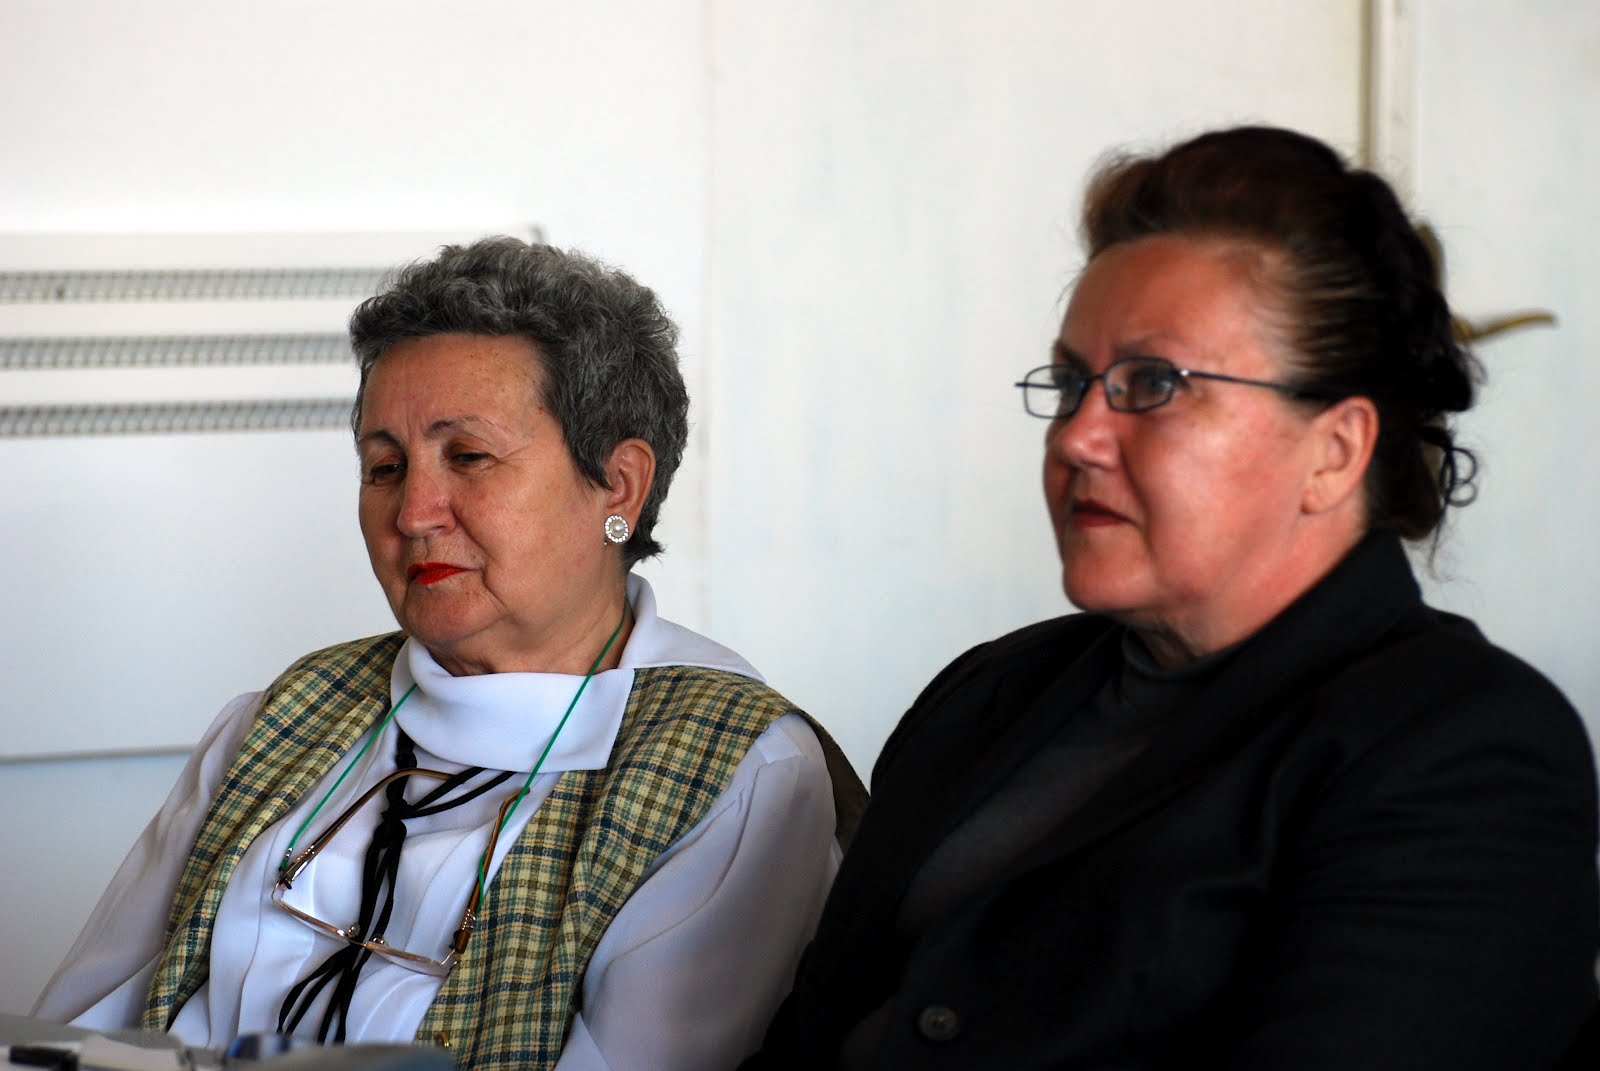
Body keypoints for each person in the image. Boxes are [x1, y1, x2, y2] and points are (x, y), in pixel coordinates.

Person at [743, 126, 1600, 1069]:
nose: (1076, 436)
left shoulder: (1464, 747)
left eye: (1153, 383)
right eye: (1071, 383)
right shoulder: (988, 691)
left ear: (1335, 450)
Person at [33, 237, 866, 1071]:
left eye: (468, 456)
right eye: (384, 466)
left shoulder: (733, 771)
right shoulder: (283, 715)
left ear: (618, 484)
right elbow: (72, 1036)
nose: (413, 512)